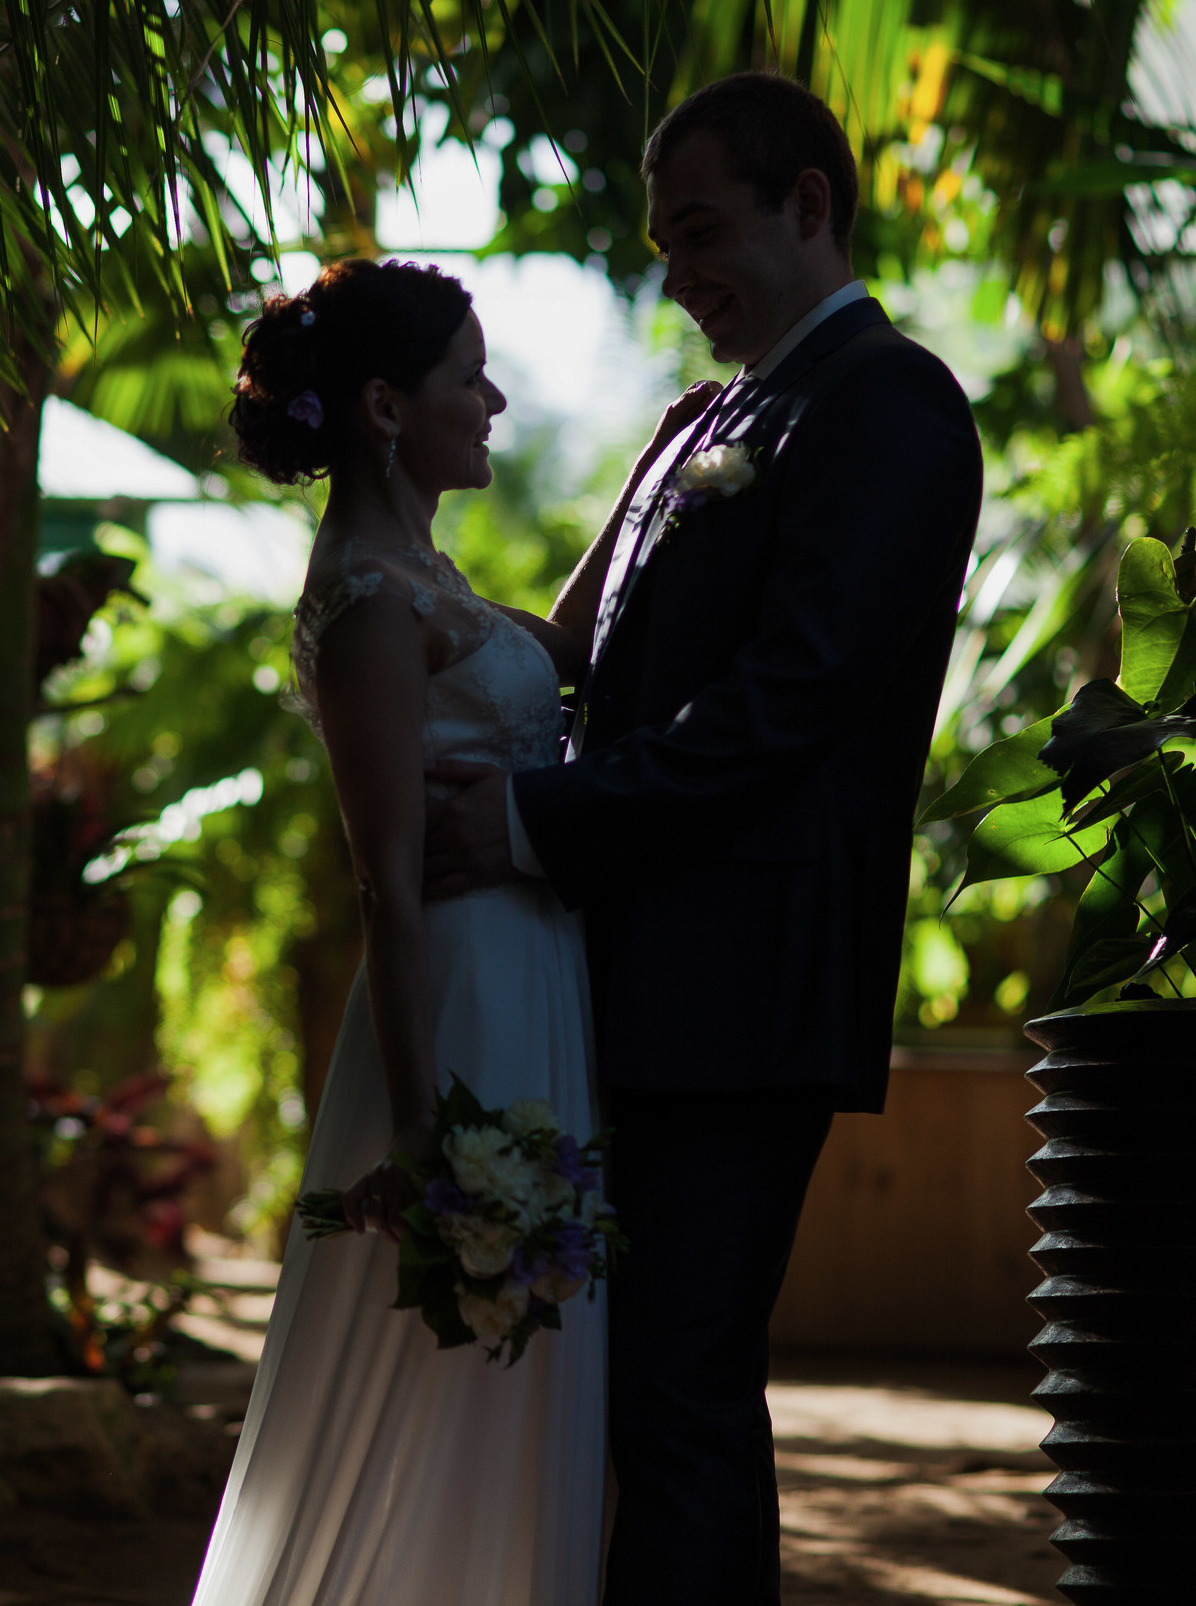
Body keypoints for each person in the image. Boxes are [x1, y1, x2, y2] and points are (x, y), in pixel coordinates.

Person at [424, 71, 984, 1602]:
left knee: (678, 1393)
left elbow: (790, 702)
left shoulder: (891, 404)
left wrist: (533, 820)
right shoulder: (709, 419)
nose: (676, 277)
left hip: (741, 988)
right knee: (627, 1393)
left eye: (703, 231)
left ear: (811, 205)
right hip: (628, 972)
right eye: (663, 244)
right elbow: (588, 647)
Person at [187, 257, 722, 1606]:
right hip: (462, 1007)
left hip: (533, 986)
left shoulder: (422, 568)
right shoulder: (368, 602)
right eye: (466, 376)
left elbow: (561, 653)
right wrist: (422, 1128)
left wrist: (651, 471)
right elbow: (387, 882)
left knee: (524, 1380)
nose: (491, 400)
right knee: (446, 1382)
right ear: (382, 405)